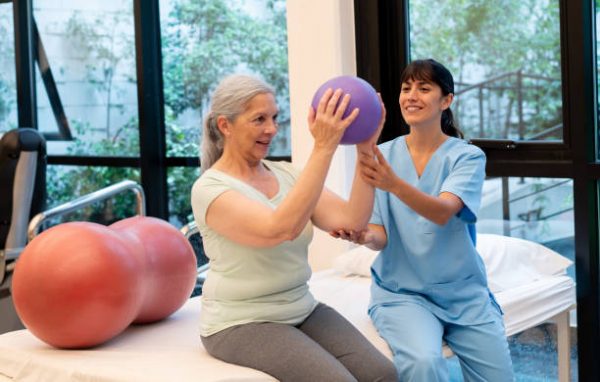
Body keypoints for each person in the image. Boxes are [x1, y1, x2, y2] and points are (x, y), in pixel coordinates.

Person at [190, 74, 397, 382]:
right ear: (225, 125)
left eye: (274, 117)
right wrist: (324, 147)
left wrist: (365, 147)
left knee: (383, 374)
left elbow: (352, 220)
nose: (272, 129)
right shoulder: (210, 189)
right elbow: (279, 229)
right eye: (259, 119)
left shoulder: (288, 175)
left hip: (300, 306)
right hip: (240, 322)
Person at [332, 59, 515, 381]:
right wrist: (361, 236)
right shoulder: (381, 156)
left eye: (424, 88)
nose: (411, 95)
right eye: (406, 88)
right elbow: (380, 234)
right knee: (423, 364)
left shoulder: (466, 156)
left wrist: (393, 184)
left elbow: (443, 211)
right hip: (404, 295)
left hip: (463, 294)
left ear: (446, 100)